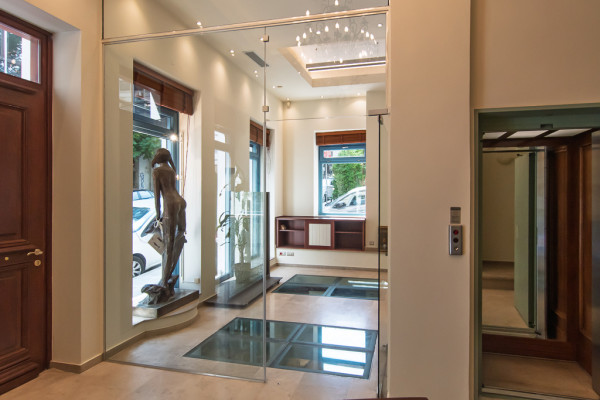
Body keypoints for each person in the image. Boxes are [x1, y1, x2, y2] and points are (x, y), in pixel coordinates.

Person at [141, 148, 186, 304]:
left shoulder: (157, 171)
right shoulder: (171, 170)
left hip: (170, 204)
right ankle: (167, 278)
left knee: (169, 244)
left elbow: (157, 196)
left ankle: (164, 280)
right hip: (180, 201)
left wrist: (157, 214)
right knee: (180, 236)